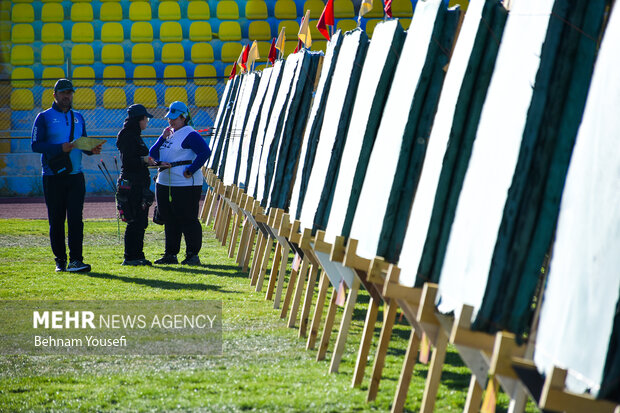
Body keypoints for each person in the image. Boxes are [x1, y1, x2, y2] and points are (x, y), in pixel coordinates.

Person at [31, 79, 103, 273]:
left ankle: (76, 260)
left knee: (76, 220)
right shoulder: (43, 117)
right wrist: (58, 148)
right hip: (53, 176)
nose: (67, 96)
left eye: (69, 93)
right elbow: (35, 145)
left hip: (75, 176)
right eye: (63, 93)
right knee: (56, 220)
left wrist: (91, 149)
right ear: (54, 95)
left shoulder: (78, 117)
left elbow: (82, 142)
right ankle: (60, 261)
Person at [149, 101, 211, 266]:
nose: (171, 121)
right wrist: (162, 138)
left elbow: (205, 152)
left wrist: (191, 169)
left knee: (188, 219)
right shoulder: (168, 133)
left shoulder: (190, 134)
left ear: (184, 118)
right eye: (169, 117)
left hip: (185, 183)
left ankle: (192, 255)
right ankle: (170, 254)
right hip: (164, 181)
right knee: (169, 219)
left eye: (175, 118)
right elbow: (152, 153)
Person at [116, 104, 159, 266]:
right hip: (132, 185)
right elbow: (128, 161)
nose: (147, 122)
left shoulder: (134, 134)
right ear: (138, 119)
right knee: (134, 220)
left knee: (141, 221)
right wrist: (144, 160)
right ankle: (130, 257)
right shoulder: (128, 135)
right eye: (145, 119)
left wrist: (152, 163)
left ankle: (138, 255)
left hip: (139, 184)